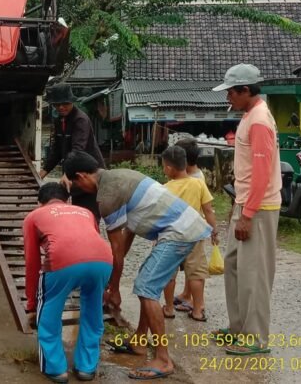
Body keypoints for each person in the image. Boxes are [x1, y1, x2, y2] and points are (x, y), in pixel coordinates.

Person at [63, 151, 211, 381]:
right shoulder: (121, 176)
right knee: (146, 280)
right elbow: (127, 234)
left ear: (81, 176)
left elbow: (115, 249)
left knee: (146, 287)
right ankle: (140, 342)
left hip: (178, 232)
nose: (78, 187)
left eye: (75, 182)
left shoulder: (107, 195)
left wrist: (113, 288)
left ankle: (163, 359)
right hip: (181, 227)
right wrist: (114, 284)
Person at [212, 64, 281, 355]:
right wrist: (239, 206)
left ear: (245, 90)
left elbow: (262, 172)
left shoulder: (259, 121)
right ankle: (239, 326)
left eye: (231, 91)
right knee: (235, 266)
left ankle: (256, 337)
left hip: (260, 207)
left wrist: (249, 213)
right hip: (246, 203)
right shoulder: (248, 116)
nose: (228, 96)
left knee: (255, 273)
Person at [23, 182, 112, 383]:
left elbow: (32, 261)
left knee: (49, 312)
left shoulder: (34, 216)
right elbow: (92, 241)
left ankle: (56, 369)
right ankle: (86, 368)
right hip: (103, 260)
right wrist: (106, 286)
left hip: (63, 261)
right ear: (67, 200)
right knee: (92, 312)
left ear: (40, 203)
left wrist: (31, 305)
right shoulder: (85, 212)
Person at [160, 146, 218, 322]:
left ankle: (169, 308)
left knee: (169, 274)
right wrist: (214, 230)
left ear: (169, 168)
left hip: (170, 238)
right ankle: (198, 310)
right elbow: (208, 210)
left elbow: (159, 216)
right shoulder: (198, 183)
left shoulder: (164, 189)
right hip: (194, 236)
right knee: (196, 274)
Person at [39, 83, 105, 221]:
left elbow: (78, 149)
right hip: (74, 174)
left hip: (89, 174)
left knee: (89, 214)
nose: (61, 107)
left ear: (71, 102)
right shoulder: (59, 121)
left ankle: (90, 239)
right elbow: (57, 149)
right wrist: (43, 171)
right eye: (57, 104)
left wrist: (66, 175)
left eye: (65, 103)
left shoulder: (80, 120)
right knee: (76, 213)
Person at [170, 138, 206, 312]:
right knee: (192, 267)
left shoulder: (193, 180)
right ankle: (187, 295)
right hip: (196, 230)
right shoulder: (195, 176)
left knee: (191, 269)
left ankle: (194, 303)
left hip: (184, 231)